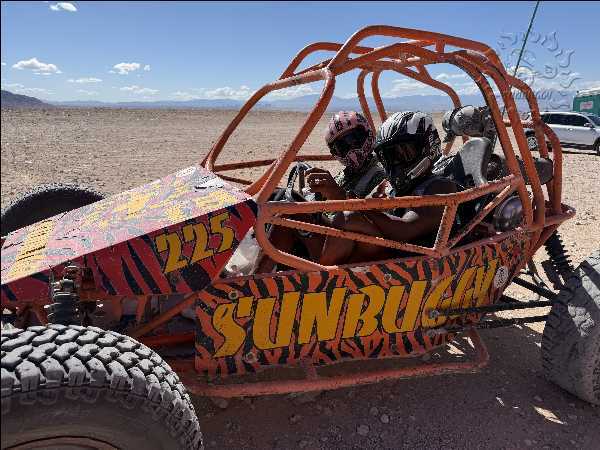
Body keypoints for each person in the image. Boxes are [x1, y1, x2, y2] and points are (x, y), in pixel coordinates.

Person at [317, 111, 458, 266]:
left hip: (410, 262)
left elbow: (405, 230)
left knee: (348, 218)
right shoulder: (398, 186)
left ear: (427, 145)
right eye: (389, 156)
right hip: (391, 255)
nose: (396, 163)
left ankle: (317, 275)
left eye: (404, 153)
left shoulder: (440, 186)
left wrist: (361, 207)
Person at [256, 111, 387, 273]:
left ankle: (254, 280)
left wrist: (337, 195)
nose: (351, 150)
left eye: (355, 139)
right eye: (342, 146)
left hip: (350, 248)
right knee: (277, 196)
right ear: (335, 153)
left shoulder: (381, 172)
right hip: (331, 236)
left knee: (288, 213)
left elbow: (369, 221)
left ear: (367, 133)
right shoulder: (346, 175)